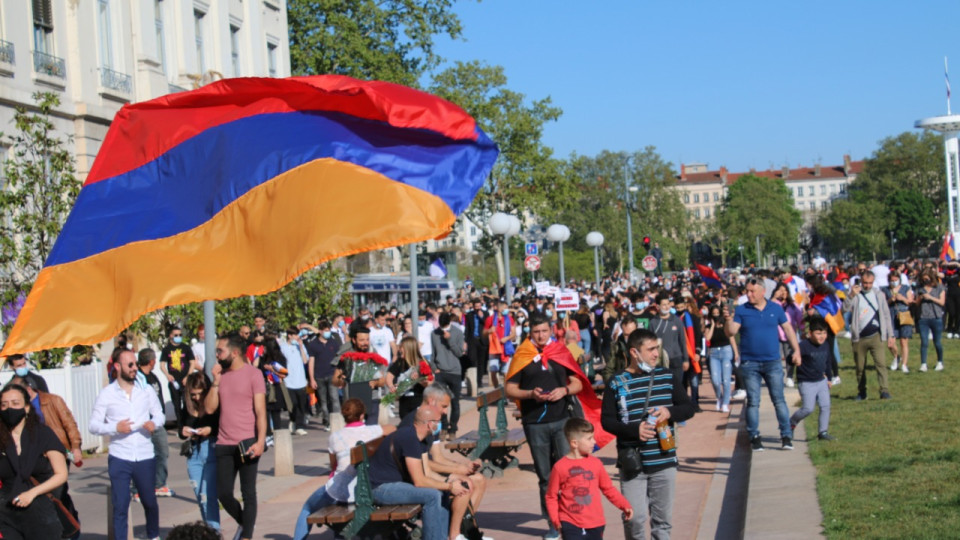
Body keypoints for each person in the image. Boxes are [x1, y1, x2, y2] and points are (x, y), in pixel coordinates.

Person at [601, 329, 695, 540]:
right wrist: (635, 430)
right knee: (634, 518)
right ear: (635, 352)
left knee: (662, 523)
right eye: (650, 349)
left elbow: (688, 408)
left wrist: (669, 412)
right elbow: (607, 421)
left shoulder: (667, 376)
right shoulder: (616, 382)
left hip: (664, 459)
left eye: (657, 349)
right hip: (633, 463)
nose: (656, 354)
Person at [505, 312, 585, 540]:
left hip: (562, 421)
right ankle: (553, 523)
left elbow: (578, 382)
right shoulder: (522, 354)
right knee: (545, 476)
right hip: (535, 422)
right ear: (530, 332)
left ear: (551, 331)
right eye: (536, 332)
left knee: (567, 473)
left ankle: (572, 519)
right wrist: (530, 394)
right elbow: (510, 389)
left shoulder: (562, 351)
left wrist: (565, 390)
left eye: (544, 331)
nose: (540, 336)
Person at [293, 398, 396, 540]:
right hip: (366, 489)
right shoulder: (374, 431)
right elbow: (392, 428)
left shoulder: (335, 437)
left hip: (340, 490)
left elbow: (333, 466)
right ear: (362, 415)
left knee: (307, 508)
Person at [368, 404, 474, 540]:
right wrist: (450, 486)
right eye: (438, 421)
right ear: (430, 424)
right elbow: (419, 481)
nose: (441, 424)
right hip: (380, 488)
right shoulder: (409, 438)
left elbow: (428, 473)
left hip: (395, 484)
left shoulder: (420, 439)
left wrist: (449, 482)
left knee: (441, 492)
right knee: (433, 495)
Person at [89, 348, 164, 540]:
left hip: (145, 455)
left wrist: (153, 423)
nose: (134, 369)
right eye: (130, 365)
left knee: (149, 501)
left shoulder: (145, 390)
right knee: (120, 504)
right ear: (117, 366)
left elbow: (159, 414)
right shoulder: (107, 394)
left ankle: (153, 536)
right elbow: (93, 425)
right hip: (120, 456)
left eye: (136, 364)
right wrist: (115, 427)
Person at [723, 278, 801, 451]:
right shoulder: (742, 310)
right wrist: (728, 319)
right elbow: (731, 332)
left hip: (772, 362)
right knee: (753, 402)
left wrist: (796, 350)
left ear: (762, 291)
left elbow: (788, 329)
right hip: (750, 363)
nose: (748, 294)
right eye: (747, 291)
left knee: (779, 400)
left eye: (752, 291)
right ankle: (754, 436)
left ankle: (786, 435)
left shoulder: (775, 308)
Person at [206, 334, 267, 540]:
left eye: (220, 350)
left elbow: (260, 411)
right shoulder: (220, 375)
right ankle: (245, 523)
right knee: (223, 494)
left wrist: (260, 441)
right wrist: (215, 382)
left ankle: (247, 536)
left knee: (248, 493)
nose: (217, 354)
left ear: (234, 352)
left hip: (247, 443)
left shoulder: (254, 374)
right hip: (224, 443)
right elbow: (209, 408)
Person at [0, 383, 69, 540]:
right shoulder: (1, 439)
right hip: (7, 514)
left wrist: (32, 493)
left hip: (41, 511)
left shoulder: (43, 434)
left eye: (15, 403)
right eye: (4, 405)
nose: (9, 408)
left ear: (26, 408)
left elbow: (61, 474)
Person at [546, 418, 633, 540]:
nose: (594, 441)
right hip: (569, 522)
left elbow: (608, 489)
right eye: (589, 439)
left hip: (596, 523)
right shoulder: (559, 467)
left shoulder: (596, 464)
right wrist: (555, 520)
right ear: (574, 443)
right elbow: (551, 496)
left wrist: (624, 505)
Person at [842, 270, 895, 400]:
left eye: (870, 283)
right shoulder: (855, 295)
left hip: (876, 335)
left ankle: (884, 390)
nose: (867, 286)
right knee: (860, 368)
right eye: (865, 283)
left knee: (881, 364)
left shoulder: (879, 295)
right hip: (859, 337)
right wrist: (850, 296)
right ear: (860, 281)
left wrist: (891, 335)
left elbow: (887, 315)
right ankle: (862, 392)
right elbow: (844, 309)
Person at [181, 372, 220, 531]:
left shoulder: (214, 402)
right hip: (193, 453)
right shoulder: (188, 405)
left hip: (210, 448)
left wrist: (210, 430)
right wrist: (182, 431)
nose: (196, 398)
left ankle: (213, 533)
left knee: (207, 496)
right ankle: (209, 532)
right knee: (200, 496)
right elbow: (181, 425)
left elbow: (221, 425)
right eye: (193, 395)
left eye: (199, 394)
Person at [789, 318, 835, 442]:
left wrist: (829, 378)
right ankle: (791, 422)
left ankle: (823, 432)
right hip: (806, 382)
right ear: (810, 333)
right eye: (818, 333)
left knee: (825, 405)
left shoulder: (825, 345)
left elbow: (828, 362)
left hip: (821, 381)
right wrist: (794, 359)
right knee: (808, 408)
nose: (822, 336)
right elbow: (790, 358)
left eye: (824, 333)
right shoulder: (803, 346)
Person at [136, 349, 174, 497]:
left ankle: (158, 484)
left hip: (157, 422)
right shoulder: (139, 378)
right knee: (141, 457)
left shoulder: (152, 376)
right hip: (146, 423)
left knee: (162, 453)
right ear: (151, 361)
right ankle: (137, 489)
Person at [333, 323, 388, 425]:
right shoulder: (346, 355)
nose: (365, 343)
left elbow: (382, 381)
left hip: (372, 398)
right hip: (353, 400)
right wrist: (341, 380)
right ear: (354, 340)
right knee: (355, 434)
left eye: (367, 339)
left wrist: (376, 383)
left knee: (372, 434)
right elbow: (335, 380)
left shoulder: (373, 353)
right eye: (362, 340)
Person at [304, 320, 342, 430]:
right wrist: (312, 379)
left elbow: (338, 359)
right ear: (320, 331)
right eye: (325, 330)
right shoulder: (313, 344)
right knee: (323, 401)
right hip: (319, 376)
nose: (328, 332)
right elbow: (311, 362)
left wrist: (340, 375)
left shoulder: (333, 342)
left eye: (329, 330)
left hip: (332, 374)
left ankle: (337, 420)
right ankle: (327, 421)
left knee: (335, 398)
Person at [432, 312, 465, 437]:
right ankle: (444, 426)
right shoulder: (434, 333)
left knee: (455, 402)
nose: (443, 329)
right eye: (441, 326)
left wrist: (450, 339)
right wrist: (434, 367)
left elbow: (459, 353)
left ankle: (453, 429)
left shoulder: (457, 332)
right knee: (439, 402)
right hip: (441, 372)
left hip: (455, 372)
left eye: (445, 326)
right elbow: (433, 352)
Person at [159, 326, 196, 428]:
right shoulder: (166, 349)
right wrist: (167, 375)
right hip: (173, 381)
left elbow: (192, 362)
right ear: (171, 336)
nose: (178, 337)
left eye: (180, 335)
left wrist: (188, 376)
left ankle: (187, 424)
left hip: (185, 380)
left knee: (187, 402)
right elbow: (162, 365)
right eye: (176, 335)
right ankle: (180, 425)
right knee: (176, 405)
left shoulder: (186, 348)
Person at [386, 336, 430, 419]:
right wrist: (391, 386)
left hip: (419, 400)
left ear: (409, 349)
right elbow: (389, 375)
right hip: (404, 401)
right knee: (405, 425)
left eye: (401, 347)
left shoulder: (423, 363)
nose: (399, 350)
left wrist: (418, 380)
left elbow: (429, 384)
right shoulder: (400, 362)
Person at [703, 305, 738, 412]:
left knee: (726, 380)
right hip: (713, 353)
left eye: (717, 314)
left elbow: (731, 339)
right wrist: (713, 325)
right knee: (715, 379)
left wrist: (736, 352)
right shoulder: (708, 326)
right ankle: (719, 397)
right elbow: (707, 338)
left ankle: (726, 403)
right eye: (713, 314)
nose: (716, 316)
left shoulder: (725, 325)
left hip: (726, 351)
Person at [278, 328, 310, 436]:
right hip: (289, 380)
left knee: (301, 404)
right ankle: (293, 421)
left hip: (301, 380)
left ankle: (300, 426)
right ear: (289, 335)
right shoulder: (283, 347)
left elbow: (305, 360)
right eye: (295, 335)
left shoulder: (300, 346)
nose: (297, 337)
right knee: (293, 404)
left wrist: (301, 347)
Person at [915, 269, 946, 372]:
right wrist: (920, 297)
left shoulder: (939, 288)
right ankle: (923, 364)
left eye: (927, 279)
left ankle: (940, 361)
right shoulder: (920, 289)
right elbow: (917, 303)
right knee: (924, 342)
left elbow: (942, 302)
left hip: (936, 317)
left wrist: (930, 297)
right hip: (924, 318)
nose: (925, 281)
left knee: (937, 342)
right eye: (924, 280)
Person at [885, 274, 915, 373]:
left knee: (904, 341)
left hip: (904, 314)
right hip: (891, 316)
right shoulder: (885, 290)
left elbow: (910, 302)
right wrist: (890, 300)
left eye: (895, 280)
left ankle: (904, 364)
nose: (894, 282)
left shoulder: (906, 288)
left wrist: (903, 298)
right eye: (892, 280)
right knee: (890, 343)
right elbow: (883, 303)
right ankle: (896, 356)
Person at [484, 301, 516, 388]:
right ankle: (497, 390)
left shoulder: (509, 319)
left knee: (506, 372)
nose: (507, 310)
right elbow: (483, 333)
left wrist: (507, 338)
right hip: (494, 348)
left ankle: (506, 391)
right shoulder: (490, 319)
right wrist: (489, 331)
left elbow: (513, 333)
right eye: (505, 308)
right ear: (499, 309)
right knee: (493, 372)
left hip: (506, 348)